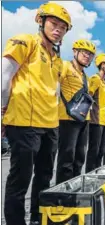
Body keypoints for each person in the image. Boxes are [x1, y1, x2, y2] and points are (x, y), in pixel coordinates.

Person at [1, 2, 71, 225]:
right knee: (19, 179)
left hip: (50, 125)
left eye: (63, 27)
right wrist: (2, 110)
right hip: (24, 122)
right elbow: (4, 77)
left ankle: (39, 219)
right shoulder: (25, 41)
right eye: (54, 23)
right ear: (40, 21)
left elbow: (56, 91)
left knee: (44, 176)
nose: (58, 30)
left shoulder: (57, 59)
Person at [56, 39, 96, 184]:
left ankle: (76, 185)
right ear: (75, 51)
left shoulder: (85, 75)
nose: (87, 56)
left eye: (90, 55)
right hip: (67, 119)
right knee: (67, 157)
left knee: (79, 157)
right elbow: (54, 87)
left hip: (83, 119)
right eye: (84, 52)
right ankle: (63, 190)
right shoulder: (65, 66)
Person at [85, 53, 105, 173]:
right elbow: (88, 97)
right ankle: (89, 175)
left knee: (101, 151)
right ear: (103, 65)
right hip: (96, 121)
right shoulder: (95, 79)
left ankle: (97, 174)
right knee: (94, 151)